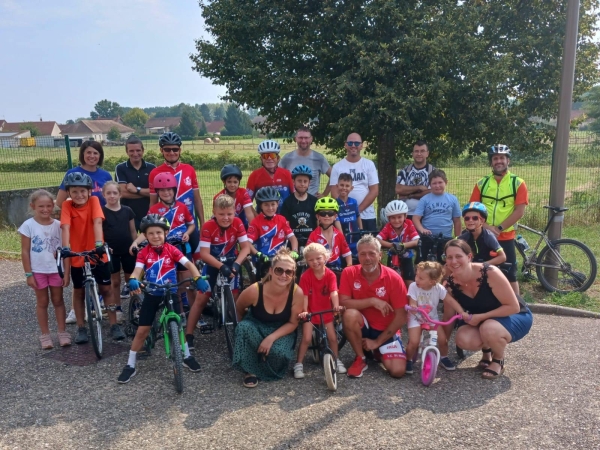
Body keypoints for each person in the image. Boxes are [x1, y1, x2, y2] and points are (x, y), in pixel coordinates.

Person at [117, 214, 209, 384]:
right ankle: (130, 364)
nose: (155, 236)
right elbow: (138, 270)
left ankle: (187, 356)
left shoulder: (172, 249)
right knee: (143, 330)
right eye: (150, 233)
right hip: (153, 293)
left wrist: (198, 278)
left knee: (180, 325)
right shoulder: (144, 253)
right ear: (145, 235)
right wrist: (132, 279)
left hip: (170, 292)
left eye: (159, 232)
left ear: (166, 233)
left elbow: (189, 264)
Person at [443, 239, 533, 379]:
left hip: (514, 315)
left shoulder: (489, 272)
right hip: (480, 321)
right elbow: (448, 317)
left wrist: (481, 317)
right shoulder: (449, 285)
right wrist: (442, 348)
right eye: (449, 257)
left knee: (489, 328)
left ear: (469, 257)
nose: (454, 261)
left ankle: (498, 360)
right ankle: (487, 351)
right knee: (463, 338)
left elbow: (513, 307)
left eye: (458, 256)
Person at [59, 172, 125, 343]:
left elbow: (97, 221)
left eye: (83, 191)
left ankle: (113, 324)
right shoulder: (67, 206)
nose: (79, 195)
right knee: (79, 291)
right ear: (69, 193)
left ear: (89, 192)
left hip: (97, 253)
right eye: (74, 192)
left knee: (106, 289)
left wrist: (98, 244)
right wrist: (66, 247)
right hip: (76, 255)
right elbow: (65, 227)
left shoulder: (94, 201)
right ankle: (81, 328)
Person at [184, 194, 251, 347]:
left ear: (234, 212)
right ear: (214, 212)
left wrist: (237, 264)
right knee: (201, 299)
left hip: (231, 261)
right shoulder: (208, 226)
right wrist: (221, 266)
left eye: (229, 214)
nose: (226, 217)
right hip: (212, 263)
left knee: (235, 298)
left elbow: (245, 247)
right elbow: (204, 254)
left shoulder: (238, 223)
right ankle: (188, 335)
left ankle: (238, 330)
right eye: (221, 214)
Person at [232, 248, 304, 387]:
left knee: (279, 355)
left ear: (293, 274)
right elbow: (239, 308)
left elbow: (293, 323)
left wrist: (270, 338)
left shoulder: (296, 292)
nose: (283, 275)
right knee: (243, 327)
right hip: (256, 326)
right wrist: (243, 335)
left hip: (281, 329)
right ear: (271, 271)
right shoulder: (254, 290)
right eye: (279, 270)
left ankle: (259, 359)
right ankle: (249, 371)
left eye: (288, 272)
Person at [339, 235, 408, 378]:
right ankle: (361, 358)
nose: (367, 258)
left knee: (398, 371)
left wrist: (377, 342)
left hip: (385, 329)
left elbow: (401, 316)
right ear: (357, 255)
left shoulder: (394, 277)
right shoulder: (349, 272)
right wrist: (372, 301)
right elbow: (343, 302)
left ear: (380, 255)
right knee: (349, 314)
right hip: (362, 326)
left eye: (372, 253)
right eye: (362, 254)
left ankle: (377, 349)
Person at [470, 145, 528, 295]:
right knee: (480, 271)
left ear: (508, 160)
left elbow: (519, 211)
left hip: (506, 235)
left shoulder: (518, 183)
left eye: (502, 158)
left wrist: (499, 228)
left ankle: (517, 307)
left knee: (510, 274)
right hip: (483, 234)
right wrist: (488, 228)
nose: (499, 161)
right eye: (495, 158)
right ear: (491, 162)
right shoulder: (482, 183)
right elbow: (472, 210)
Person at [19, 190, 70, 349]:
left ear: (53, 206)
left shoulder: (59, 225)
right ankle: (45, 335)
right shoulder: (28, 226)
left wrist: (66, 273)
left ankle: (62, 332)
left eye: (49, 206)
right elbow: (25, 251)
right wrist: (29, 274)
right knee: (42, 302)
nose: (45, 209)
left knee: (58, 300)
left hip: (56, 270)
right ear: (33, 206)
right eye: (41, 206)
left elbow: (65, 250)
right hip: (38, 271)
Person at [149, 132, 205, 262]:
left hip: (189, 222)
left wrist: (202, 224)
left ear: (180, 150)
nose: (171, 152)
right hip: (168, 225)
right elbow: (153, 203)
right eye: (167, 149)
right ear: (161, 150)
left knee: (197, 259)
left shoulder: (189, 169)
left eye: (175, 149)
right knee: (172, 260)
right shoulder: (155, 173)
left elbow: (197, 199)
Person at [294, 243, 346, 379]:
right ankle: (299, 363)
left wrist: (335, 306)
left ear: (325, 258)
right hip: (311, 311)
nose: (315, 262)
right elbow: (304, 295)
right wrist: (305, 312)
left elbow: (334, 291)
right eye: (310, 260)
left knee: (333, 338)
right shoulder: (306, 276)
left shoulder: (330, 275)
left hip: (326, 311)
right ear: (306, 261)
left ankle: (336, 359)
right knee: (305, 337)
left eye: (318, 258)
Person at [405, 261, 456, 374]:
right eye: (416, 275)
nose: (417, 279)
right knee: (414, 342)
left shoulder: (438, 288)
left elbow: (450, 300)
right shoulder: (414, 286)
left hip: (431, 317)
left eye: (421, 278)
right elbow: (412, 302)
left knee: (443, 340)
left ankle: (443, 357)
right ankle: (408, 359)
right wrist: (413, 307)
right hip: (416, 316)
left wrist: (462, 312)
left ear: (432, 282)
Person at [101, 181, 137, 323]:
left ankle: (135, 307)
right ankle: (118, 308)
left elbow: (133, 231)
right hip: (111, 251)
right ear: (103, 195)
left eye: (115, 193)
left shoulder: (127, 211)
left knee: (131, 280)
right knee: (115, 281)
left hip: (128, 250)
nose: (112, 196)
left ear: (120, 194)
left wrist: (135, 245)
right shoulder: (101, 212)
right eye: (108, 193)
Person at [329, 133, 379, 231]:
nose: (353, 145)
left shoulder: (369, 164)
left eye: (356, 143)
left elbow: (374, 191)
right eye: (350, 143)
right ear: (345, 145)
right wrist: (346, 211)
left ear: (361, 145)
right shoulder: (337, 167)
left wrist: (356, 211)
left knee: (369, 245)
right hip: (344, 217)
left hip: (366, 216)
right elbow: (334, 193)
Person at [247, 187, 299, 278]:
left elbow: (293, 238)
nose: (270, 208)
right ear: (260, 205)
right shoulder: (256, 222)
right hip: (263, 260)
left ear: (277, 204)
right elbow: (248, 243)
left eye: (273, 204)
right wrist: (257, 254)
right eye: (266, 205)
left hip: (280, 258)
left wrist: (294, 251)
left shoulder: (282, 219)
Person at [412, 169, 461, 264]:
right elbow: (416, 218)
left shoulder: (453, 199)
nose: (437, 186)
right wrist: (422, 230)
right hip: (428, 237)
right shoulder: (424, 199)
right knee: (422, 263)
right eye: (434, 183)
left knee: (445, 263)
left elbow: (457, 220)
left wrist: (457, 238)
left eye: (440, 182)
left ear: (446, 182)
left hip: (445, 238)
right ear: (430, 184)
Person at [115, 136, 156, 231]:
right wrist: (148, 193)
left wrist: (136, 190)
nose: (135, 154)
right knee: (129, 244)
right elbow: (123, 193)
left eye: (138, 150)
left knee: (150, 243)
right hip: (127, 215)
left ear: (143, 150)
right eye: (131, 151)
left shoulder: (152, 168)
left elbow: (157, 193)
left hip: (149, 213)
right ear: (127, 151)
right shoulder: (120, 168)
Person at [56, 141, 113, 209]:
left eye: (95, 153)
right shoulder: (72, 174)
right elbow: (60, 202)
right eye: (88, 152)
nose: (92, 156)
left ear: (100, 156)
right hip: (82, 218)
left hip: (104, 217)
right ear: (83, 154)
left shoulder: (106, 175)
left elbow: (113, 199)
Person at [279, 126, 332, 197]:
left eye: (306, 138)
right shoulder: (287, 158)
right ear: (295, 139)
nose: (303, 141)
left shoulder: (319, 158)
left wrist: (324, 194)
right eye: (300, 138)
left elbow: (333, 176)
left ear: (311, 139)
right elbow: (276, 176)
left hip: (312, 203)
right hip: (292, 203)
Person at [376, 200, 419, 285]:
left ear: (405, 216)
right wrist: (391, 245)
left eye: (399, 217)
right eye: (393, 218)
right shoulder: (388, 226)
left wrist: (402, 245)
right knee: (391, 279)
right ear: (389, 218)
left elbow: (416, 241)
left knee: (409, 280)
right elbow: (377, 239)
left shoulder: (409, 224)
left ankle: (410, 296)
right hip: (393, 255)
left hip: (407, 256)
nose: (396, 220)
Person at [307, 197, 352, 272]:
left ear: (335, 216)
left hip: (337, 270)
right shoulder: (313, 235)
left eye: (330, 213)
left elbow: (347, 253)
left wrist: (349, 267)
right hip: (319, 271)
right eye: (323, 213)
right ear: (317, 216)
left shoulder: (339, 235)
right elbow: (308, 256)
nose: (327, 216)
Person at [246, 140, 294, 210]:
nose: (269, 158)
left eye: (272, 155)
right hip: (263, 218)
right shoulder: (254, 176)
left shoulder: (287, 174)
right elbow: (247, 203)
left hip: (284, 218)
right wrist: (255, 217)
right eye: (265, 156)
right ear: (261, 159)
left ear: (278, 158)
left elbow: (296, 197)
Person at [394, 141, 436, 219]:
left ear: (427, 153)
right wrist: (419, 188)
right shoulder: (405, 171)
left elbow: (432, 192)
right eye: (416, 151)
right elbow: (398, 189)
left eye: (422, 151)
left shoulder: (433, 171)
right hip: (406, 214)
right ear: (412, 153)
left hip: (426, 214)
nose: (419, 154)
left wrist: (409, 195)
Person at [280, 165, 318, 248]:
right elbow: (286, 224)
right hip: (293, 240)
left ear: (309, 183)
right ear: (293, 181)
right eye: (299, 181)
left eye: (305, 181)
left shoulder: (314, 201)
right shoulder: (288, 201)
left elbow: (318, 223)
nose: (302, 184)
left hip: (311, 241)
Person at [214, 164, 255, 229]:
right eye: (229, 182)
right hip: (225, 227)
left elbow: (249, 214)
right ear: (224, 182)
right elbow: (217, 217)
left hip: (243, 226)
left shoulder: (243, 193)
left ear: (239, 182)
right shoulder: (218, 197)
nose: (232, 185)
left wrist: (253, 230)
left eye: (235, 182)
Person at [335, 173, 363, 257]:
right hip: (343, 239)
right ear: (337, 186)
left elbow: (358, 216)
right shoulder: (335, 203)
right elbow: (336, 221)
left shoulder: (353, 202)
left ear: (351, 188)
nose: (344, 188)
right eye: (341, 185)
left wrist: (361, 230)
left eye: (347, 186)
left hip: (355, 238)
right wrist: (342, 237)